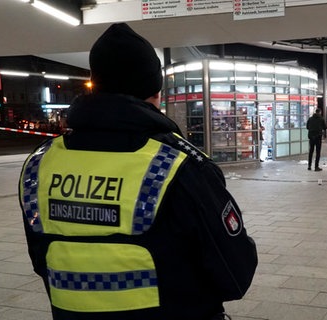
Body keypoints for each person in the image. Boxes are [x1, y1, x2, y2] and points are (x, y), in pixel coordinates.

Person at [18, 23, 257, 320]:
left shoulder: (40, 164)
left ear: (94, 82)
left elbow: (42, 258)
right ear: (156, 92)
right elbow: (235, 274)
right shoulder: (176, 166)